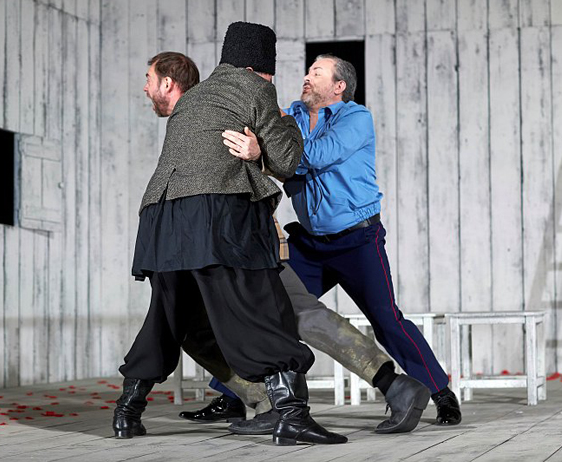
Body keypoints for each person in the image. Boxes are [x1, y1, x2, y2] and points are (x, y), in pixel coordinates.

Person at [146, 53, 430, 435]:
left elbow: (293, 158)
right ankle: (272, 401)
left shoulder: (239, 105)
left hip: (247, 243)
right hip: (236, 243)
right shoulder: (238, 109)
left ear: (169, 84)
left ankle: (391, 387)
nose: (145, 88)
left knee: (299, 314)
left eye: (149, 79)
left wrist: (260, 154)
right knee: (256, 320)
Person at [112, 23, 346, 446]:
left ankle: (127, 411)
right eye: (270, 73)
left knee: (168, 314)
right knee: (261, 309)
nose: (271, 80)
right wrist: (287, 123)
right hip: (216, 213)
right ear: (258, 68)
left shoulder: (194, 96)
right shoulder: (256, 88)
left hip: (160, 218)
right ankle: (292, 415)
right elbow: (287, 161)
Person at [223, 54, 462, 426]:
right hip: (310, 244)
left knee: (386, 320)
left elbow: (317, 155)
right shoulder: (291, 116)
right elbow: (271, 150)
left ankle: (440, 392)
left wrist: (264, 153)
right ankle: (233, 396)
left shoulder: (356, 118)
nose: (307, 76)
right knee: (266, 305)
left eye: (317, 72)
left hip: (357, 240)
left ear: (339, 86)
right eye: (308, 71)